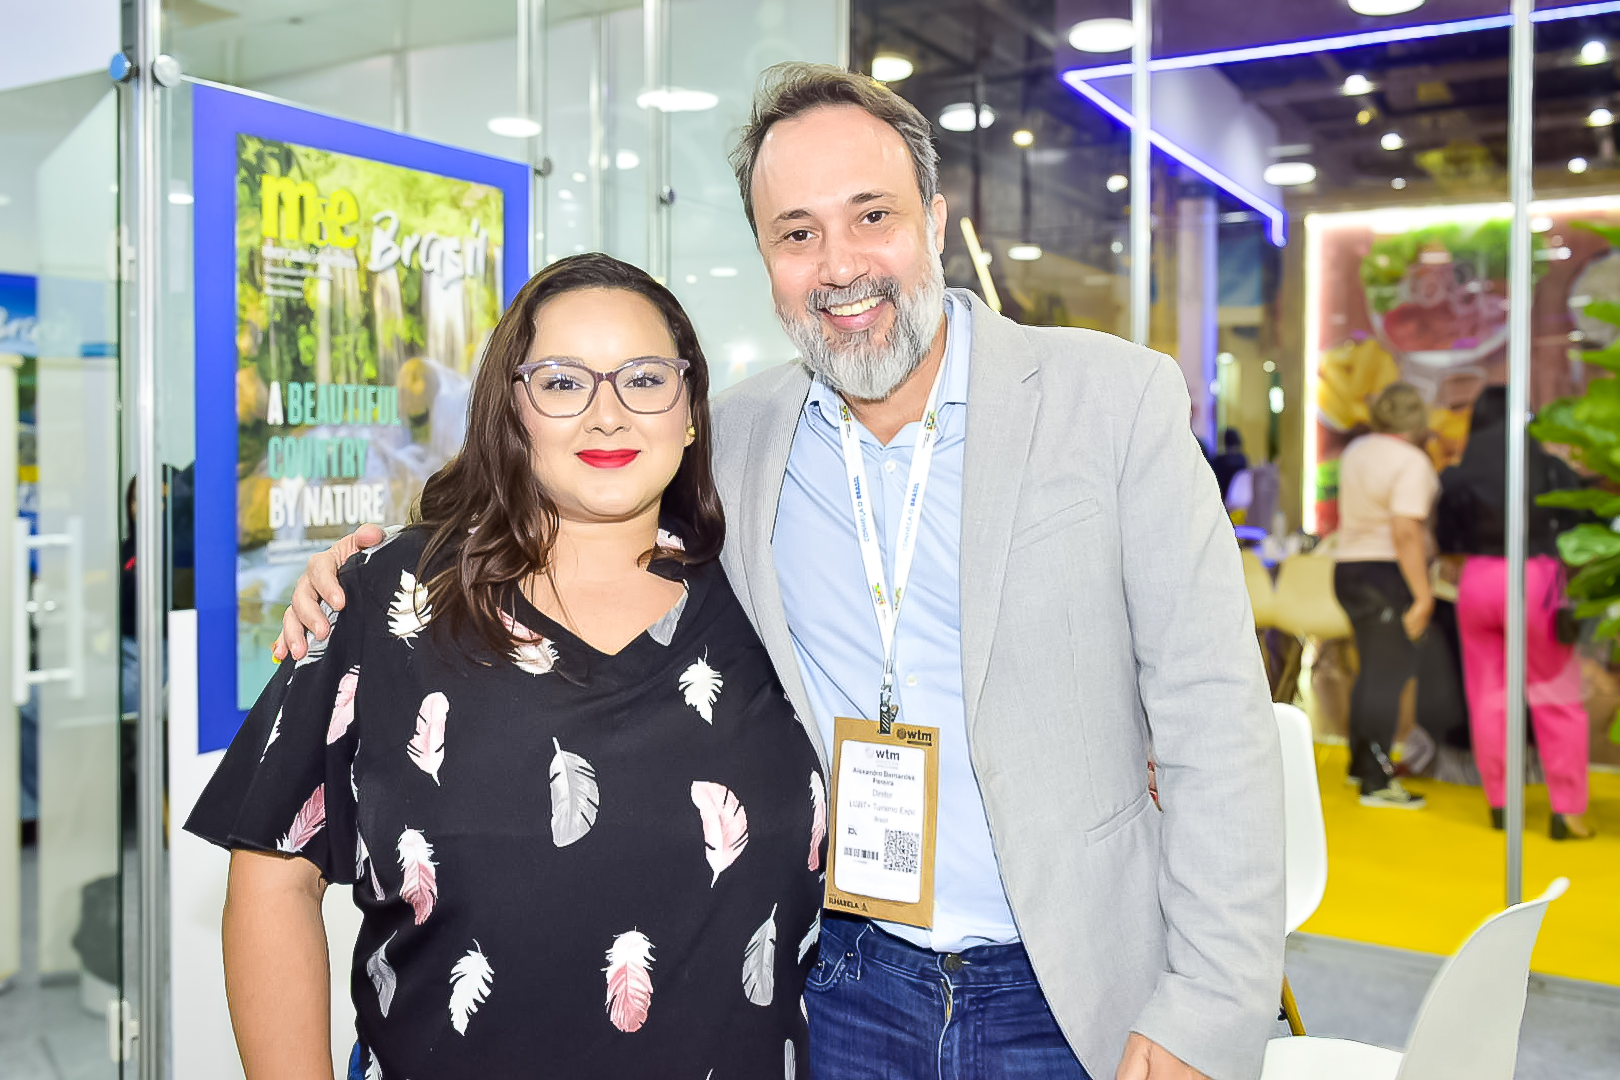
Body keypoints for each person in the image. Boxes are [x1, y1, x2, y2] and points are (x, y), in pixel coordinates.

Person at [280, 64, 1284, 1080]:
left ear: (935, 221)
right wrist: (365, 569)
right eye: (797, 232)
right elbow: (563, 488)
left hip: (1073, 989)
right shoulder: (736, 437)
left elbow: (1216, 724)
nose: (839, 265)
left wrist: (1207, 1006)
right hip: (840, 988)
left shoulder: (1112, 402)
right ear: (766, 256)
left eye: (873, 216)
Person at [190, 255, 826, 1078]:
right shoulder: (389, 600)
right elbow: (274, 873)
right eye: (563, 383)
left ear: (692, 412)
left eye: (644, 379)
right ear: (511, 411)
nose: (607, 416)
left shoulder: (773, 598)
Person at [1437, 386, 1594, 839]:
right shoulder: (1548, 467)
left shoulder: (1458, 473)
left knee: (1488, 696)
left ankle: (1501, 804)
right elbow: (1581, 527)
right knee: (1555, 694)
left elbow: (1446, 537)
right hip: (1535, 579)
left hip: (1477, 581)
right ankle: (1566, 811)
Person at [1332, 382, 1438, 809]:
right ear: (1418, 418)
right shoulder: (1411, 461)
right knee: (1387, 677)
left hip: (1347, 569)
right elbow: (1405, 531)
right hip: (1385, 572)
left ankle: (1361, 763)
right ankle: (1377, 781)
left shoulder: (1356, 450)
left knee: (1371, 672)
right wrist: (1423, 595)